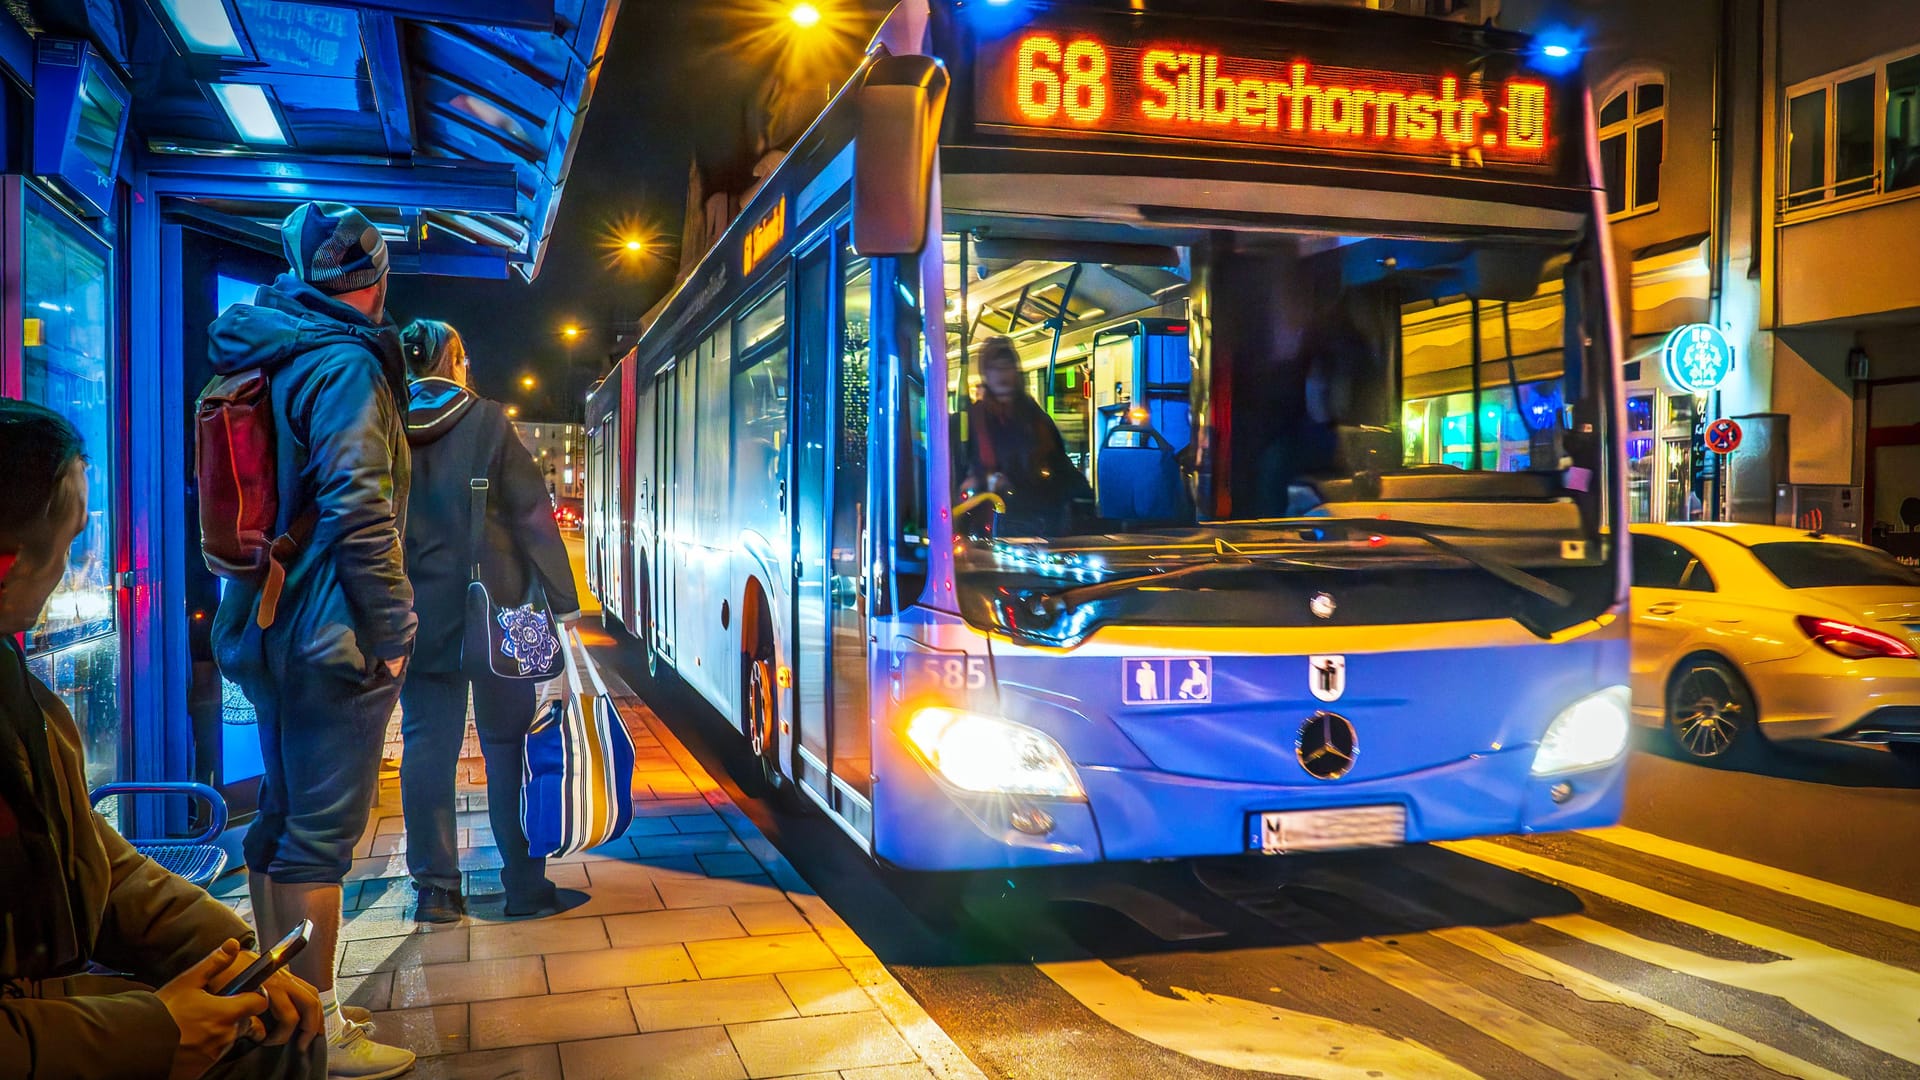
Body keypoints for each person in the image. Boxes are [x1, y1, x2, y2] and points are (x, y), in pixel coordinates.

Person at [0, 400, 325, 1080]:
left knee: (273, 1027)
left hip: (59, 1008)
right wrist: (153, 1032)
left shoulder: (17, 686)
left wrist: (235, 956)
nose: (76, 571)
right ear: (6, 562)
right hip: (52, 1028)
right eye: (67, 548)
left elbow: (92, 859)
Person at [208, 202, 417, 1079]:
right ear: (373, 283)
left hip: (262, 622)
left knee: (281, 821)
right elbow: (359, 505)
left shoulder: (263, 347)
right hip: (329, 635)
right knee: (321, 839)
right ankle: (318, 1032)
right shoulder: (344, 366)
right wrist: (397, 627)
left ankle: (280, 1005)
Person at [397, 320, 582, 922]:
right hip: (496, 612)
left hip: (417, 615)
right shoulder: (487, 422)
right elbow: (532, 514)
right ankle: (525, 886)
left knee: (428, 746)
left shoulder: (386, 423)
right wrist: (562, 600)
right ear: (455, 360)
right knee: (508, 746)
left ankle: (436, 891)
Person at [960, 336, 1090, 533]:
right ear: (985, 373)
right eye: (995, 368)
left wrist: (1088, 501)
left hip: (1039, 524)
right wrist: (986, 482)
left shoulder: (1037, 420)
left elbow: (1062, 470)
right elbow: (960, 475)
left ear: (1016, 371)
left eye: (1007, 366)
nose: (1002, 374)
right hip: (987, 527)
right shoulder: (970, 421)